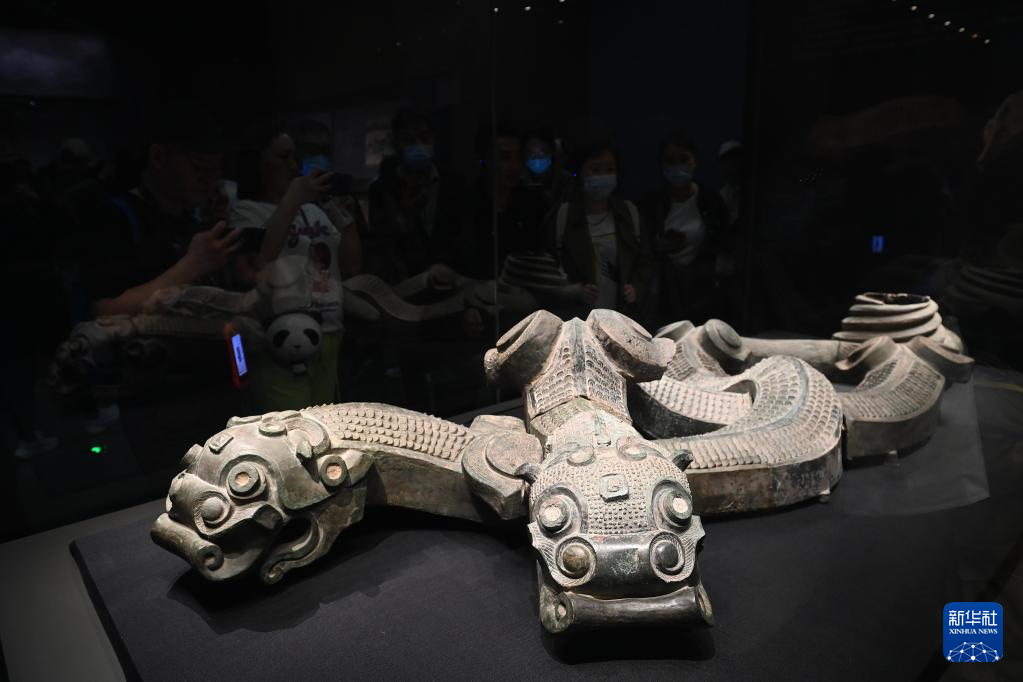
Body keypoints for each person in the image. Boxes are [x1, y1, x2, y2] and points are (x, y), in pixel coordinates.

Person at [230, 123, 362, 411]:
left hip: (328, 331)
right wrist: (293, 198)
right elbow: (258, 262)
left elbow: (351, 265)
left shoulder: (314, 210)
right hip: (278, 339)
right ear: (258, 162)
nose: (293, 166)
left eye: (295, 157)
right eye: (283, 157)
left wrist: (347, 218)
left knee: (328, 427)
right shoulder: (244, 211)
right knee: (290, 429)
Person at [82, 104, 235, 317]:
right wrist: (193, 265)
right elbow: (104, 310)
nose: (209, 179)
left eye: (215, 169)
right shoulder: (112, 217)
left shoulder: (191, 223)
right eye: (199, 167)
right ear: (158, 158)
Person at [543, 138, 652, 320]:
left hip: (621, 317)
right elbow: (546, 269)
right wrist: (574, 291)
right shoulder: (562, 217)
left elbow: (646, 260)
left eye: (609, 169)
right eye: (595, 169)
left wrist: (636, 287)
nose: (603, 175)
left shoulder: (629, 213)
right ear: (580, 172)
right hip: (577, 317)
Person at [641, 131, 730, 325]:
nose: (677, 166)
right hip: (664, 293)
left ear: (695, 161)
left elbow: (722, 243)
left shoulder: (711, 201)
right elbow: (643, 248)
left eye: (683, 160)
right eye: (670, 161)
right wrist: (660, 246)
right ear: (662, 165)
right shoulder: (652, 203)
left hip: (703, 291)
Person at [367, 108, 464, 283]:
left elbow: (461, 236)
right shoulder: (382, 189)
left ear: (434, 140)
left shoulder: (453, 184)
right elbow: (380, 246)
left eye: (425, 139)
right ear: (396, 144)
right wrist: (404, 217)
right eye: (409, 140)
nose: (419, 146)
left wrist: (444, 264)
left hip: (448, 281)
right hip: (403, 285)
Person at [465, 124, 550, 280]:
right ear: (485, 160)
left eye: (518, 158)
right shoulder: (466, 205)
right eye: (505, 158)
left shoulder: (533, 203)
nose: (514, 167)